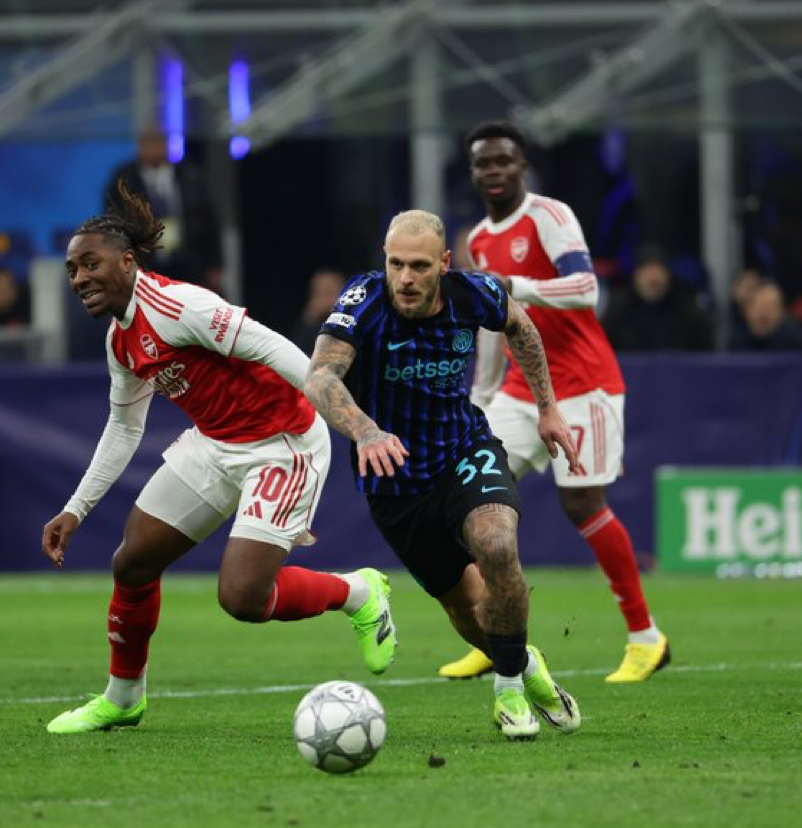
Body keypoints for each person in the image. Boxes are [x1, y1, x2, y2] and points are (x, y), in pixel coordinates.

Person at [42, 183, 395, 734]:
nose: (80, 278)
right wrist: (76, 509)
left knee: (242, 598)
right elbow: (124, 427)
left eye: (91, 264)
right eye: (72, 270)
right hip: (215, 444)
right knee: (132, 563)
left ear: (128, 261)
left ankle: (359, 592)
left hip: (283, 444)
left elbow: (275, 348)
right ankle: (123, 698)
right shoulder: (120, 341)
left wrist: (352, 422)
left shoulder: (180, 307)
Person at [305, 209, 582, 741]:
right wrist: (366, 432)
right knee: (466, 608)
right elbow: (320, 377)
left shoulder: (473, 293)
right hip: (395, 480)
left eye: (419, 266)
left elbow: (520, 326)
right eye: (396, 264)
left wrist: (548, 407)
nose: (405, 278)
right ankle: (526, 665)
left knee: (496, 544)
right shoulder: (363, 301)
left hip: (462, 450)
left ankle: (508, 692)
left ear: (444, 264)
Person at [439, 120, 669, 684]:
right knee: (467, 498)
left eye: (504, 160)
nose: (494, 170)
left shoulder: (549, 215)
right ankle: (494, 635)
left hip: (584, 386)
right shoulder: (479, 239)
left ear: (523, 166)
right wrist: (480, 395)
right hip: (519, 390)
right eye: (483, 163)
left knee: (582, 504)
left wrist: (517, 285)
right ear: (473, 172)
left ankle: (646, 637)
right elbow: (494, 322)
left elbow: (587, 289)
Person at [104, 126, 223, 290]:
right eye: (149, 142)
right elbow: (113, 226)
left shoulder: (189, 175)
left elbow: (209, 222)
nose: (155, 147)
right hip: (144, 268)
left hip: (188, 266)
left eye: (159, 141)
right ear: (140, 146)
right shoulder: (124, 180)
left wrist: (215, 263)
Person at [602, 250, 713, 351]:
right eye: (646, 270)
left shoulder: (687, 309)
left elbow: (705, 352)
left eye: (658, 269)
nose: (652, 277)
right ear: (635, 276)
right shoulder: (618, 310)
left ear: (669, 275)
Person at [729, 281, 802, 351]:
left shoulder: (795, 344)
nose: (764, 314)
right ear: (746, 310)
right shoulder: (736, 343)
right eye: (759, 307)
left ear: (782, 312)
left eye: (770, 307)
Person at [289, 268, 346, 355]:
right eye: (318, 292)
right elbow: (298, 352)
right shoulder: (309, 324)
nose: (323, 299)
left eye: (329, 292)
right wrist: (311, 317)